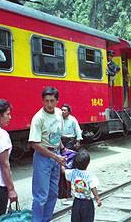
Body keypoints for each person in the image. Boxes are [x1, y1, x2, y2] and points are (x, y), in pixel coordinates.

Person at [28, 86, 66, 222]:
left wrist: (63, 149)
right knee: (41, 195)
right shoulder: (38, 118)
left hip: (56, 156)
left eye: (52, 101)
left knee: (53, 193)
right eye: (46, 101)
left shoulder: (59, 114)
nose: (49, 104)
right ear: (42, 101)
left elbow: (57, 135)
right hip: (43, 158)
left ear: (57, 101)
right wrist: (56, 156)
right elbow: (34, 144)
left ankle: (46, 219)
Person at [65, 149, 102, 222]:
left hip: (76, 202)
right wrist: (97, 198)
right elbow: (93, 187)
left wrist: (62, 162)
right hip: (87, 203)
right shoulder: (90, 175)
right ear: (88, 163)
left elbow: (63, 171)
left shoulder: (72, 172)